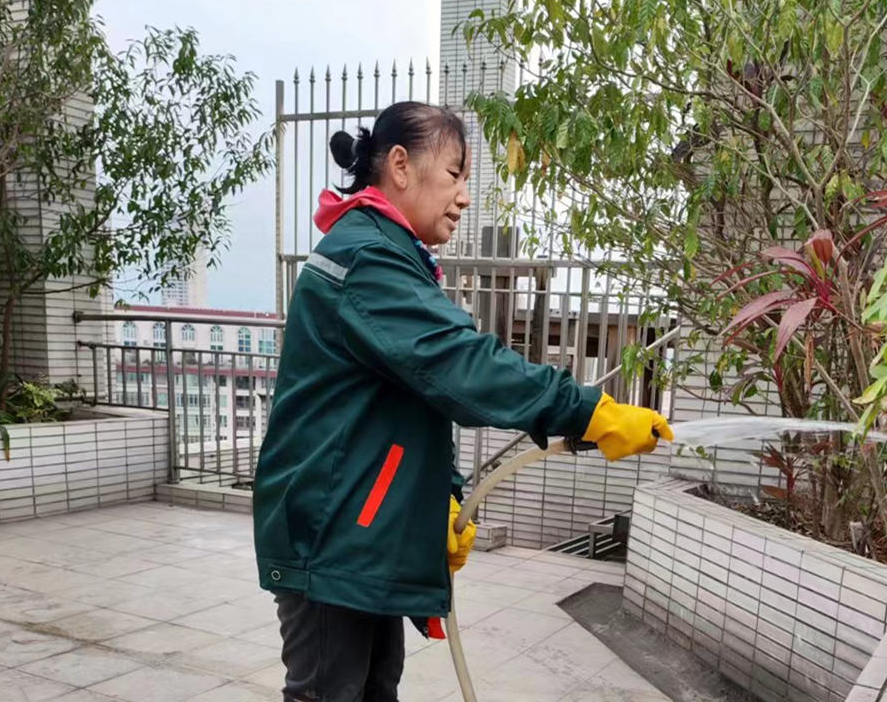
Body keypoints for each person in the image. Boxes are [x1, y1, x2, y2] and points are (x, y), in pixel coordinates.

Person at [252, 101, 673, 702]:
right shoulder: (366, 260)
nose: (465, 196)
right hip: (328, 535)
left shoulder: (388, 254)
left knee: (372, 690)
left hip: (353, 532)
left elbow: (413, 400)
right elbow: (460, 364)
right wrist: (588, 411)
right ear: (400, 165)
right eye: (455, 174)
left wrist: (442, 493)